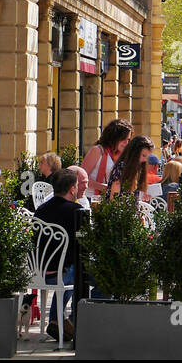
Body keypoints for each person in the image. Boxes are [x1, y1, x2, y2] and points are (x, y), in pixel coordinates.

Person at [35, 167, 81, 342]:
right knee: (97, 277)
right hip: (61, 274)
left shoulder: (40, 210)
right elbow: (83, 243)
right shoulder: (76, 210)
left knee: (70, 269)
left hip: (39, 272)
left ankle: (57, 320)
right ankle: (72, 321)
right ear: (72, 189)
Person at [83, 119, 132, 197]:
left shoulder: (122, 155)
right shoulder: (98, 150)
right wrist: (105, 187)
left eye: (128, 139)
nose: (126, 143)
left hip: (108, 200)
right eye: (123, 139)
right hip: (91, 198)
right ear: (114, 137)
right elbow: (81, 178)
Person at [111, 135, 154, 200]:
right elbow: (113, 197)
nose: (145, 160)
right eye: (143, 155)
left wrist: (143, 196)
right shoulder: (121, 167)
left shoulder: (139, 168)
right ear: (134, 153)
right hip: (120, 208)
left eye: (147, 157)